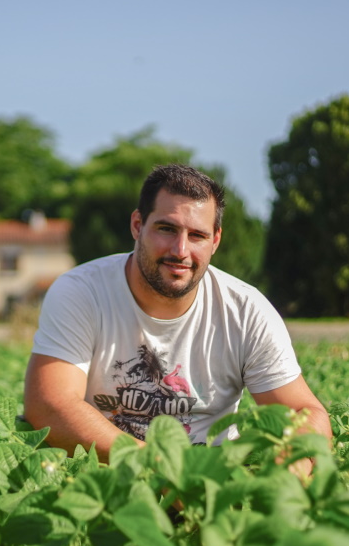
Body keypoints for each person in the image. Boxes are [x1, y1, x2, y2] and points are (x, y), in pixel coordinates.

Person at [24, 164, 332, 480]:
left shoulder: (246, 311)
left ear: (215, 241)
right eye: (167, 229)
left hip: (212, 481)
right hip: (107, 478)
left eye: (197, 235)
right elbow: (49, 405)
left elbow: (307, 412)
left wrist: (295, 459)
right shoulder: (82, 292)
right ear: (137, 225)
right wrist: (166, 471)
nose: (180, 250)